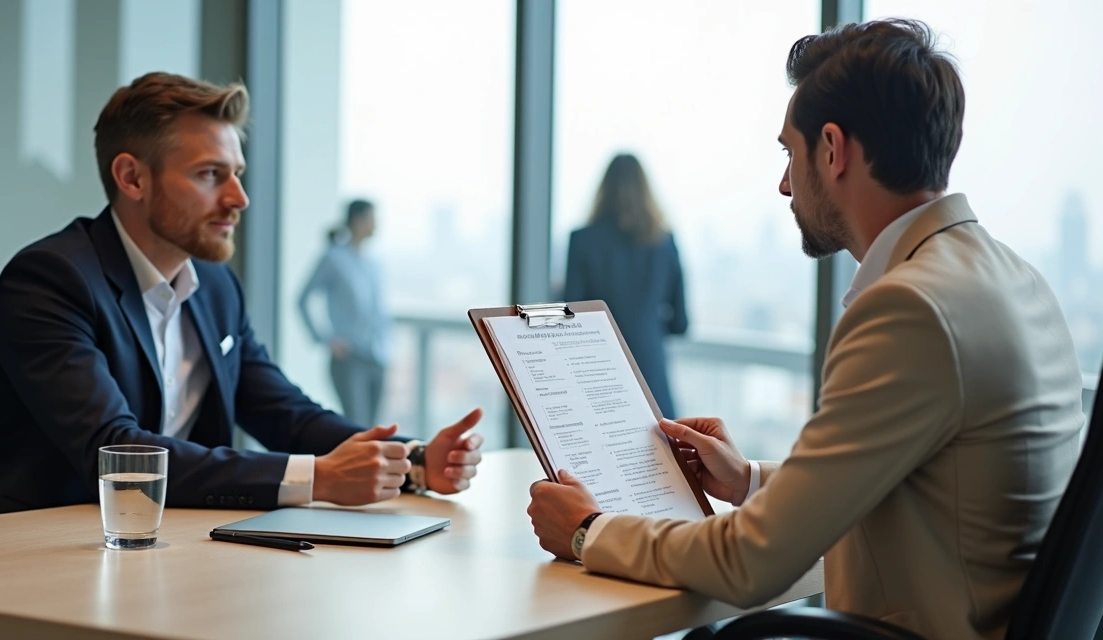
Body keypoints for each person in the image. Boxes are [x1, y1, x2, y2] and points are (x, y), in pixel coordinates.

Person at [526, 19, 1084, 639]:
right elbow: (918, 484)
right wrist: (750, 481)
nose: (786, 184)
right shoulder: (1015, 280)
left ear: (833, 149)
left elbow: (748, 565)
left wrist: (588, 530)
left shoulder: (910, 308)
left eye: (790, 154)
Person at [0, 72, 483, 519]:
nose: (239, 198)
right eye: (209, 175)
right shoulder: (50, 279)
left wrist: (411, 460)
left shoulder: (215, 286)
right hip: (21, 552)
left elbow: (285, 413)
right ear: (132, 177)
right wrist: (318, 478)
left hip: (159, 546)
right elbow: (118, 453)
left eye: (238, 174)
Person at [563, 153, 688, 418]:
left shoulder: (581, 240)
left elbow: (570, 317)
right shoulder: (665, 243)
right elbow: (681, 324)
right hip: (650, 372)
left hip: (597, 370)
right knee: (660, 453)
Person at [298, 199, 390, 428]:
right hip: (349, 356)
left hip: (377, 354)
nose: (376, 225)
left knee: (374, 427)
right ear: (358, 221)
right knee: (357, 425)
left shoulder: (372, 263)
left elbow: (378, 311)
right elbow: (302, 299)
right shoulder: (333, 258)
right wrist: (325, 338)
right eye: (372, 219)